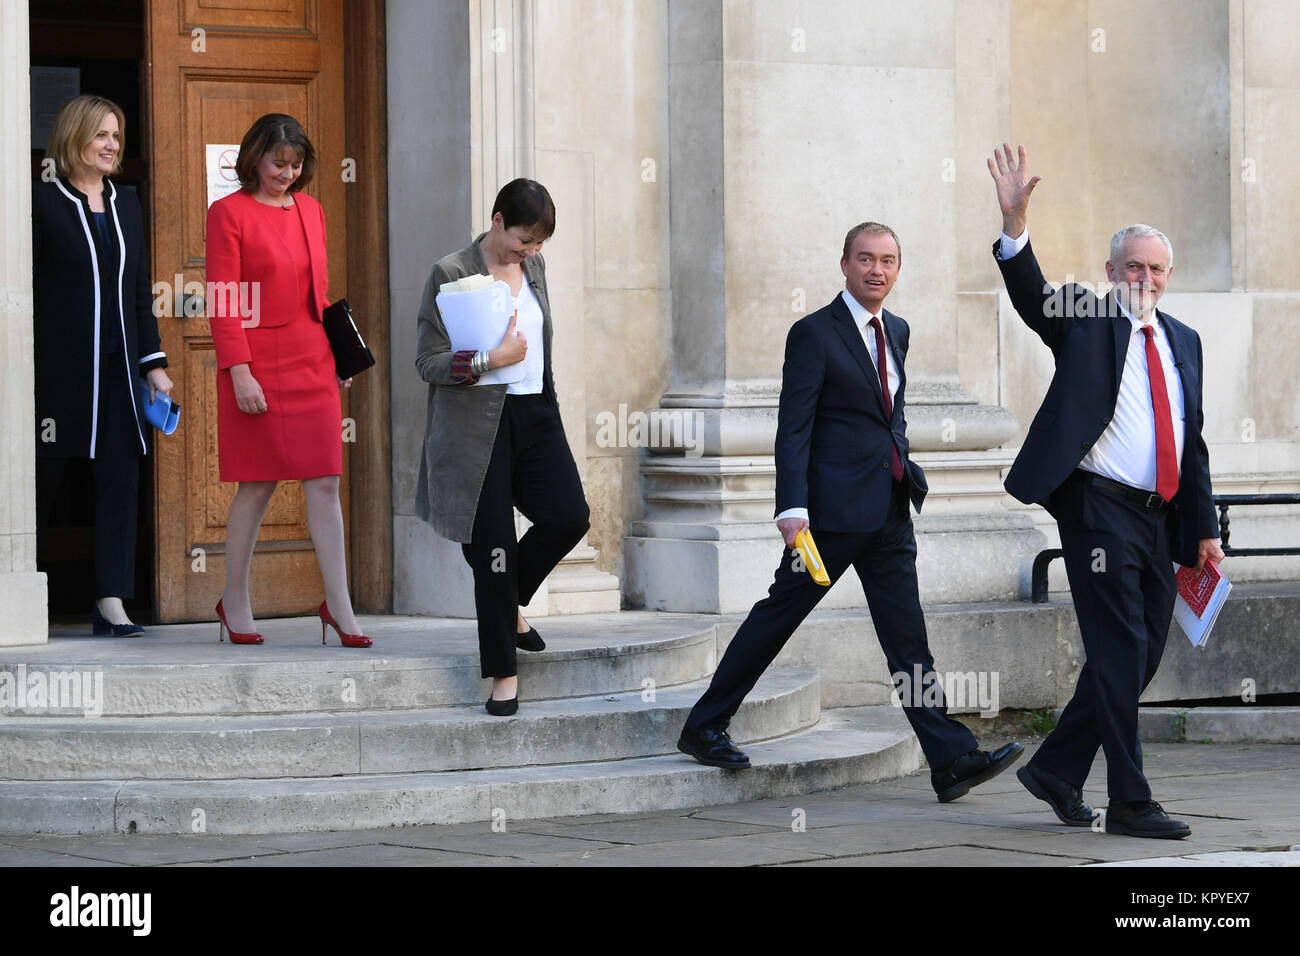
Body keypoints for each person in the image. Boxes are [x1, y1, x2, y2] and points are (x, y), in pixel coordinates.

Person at [677, 221, 1024, 802]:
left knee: (908, 640)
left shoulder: (899, 331)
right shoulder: (814, 334)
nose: (877, 270)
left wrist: (903, 465)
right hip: (828, 521)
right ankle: (704, 725)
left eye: (888, 260)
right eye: (865, 259)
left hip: (889, 512)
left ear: (897, 268)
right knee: (776, 618)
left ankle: (950, 759)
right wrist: (791, 507)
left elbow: (892, 416)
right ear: (844, 265)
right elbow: (795, 426)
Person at [987, 143, 1222, 839]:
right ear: (1111, 272)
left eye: (1155, 268)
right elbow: (1031, 297)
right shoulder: (1085, 318)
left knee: (1143, 652)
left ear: (1168, 275)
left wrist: (1204, 529)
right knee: (1122, 647)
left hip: (1159, 518)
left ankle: (1056, 769)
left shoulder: (1185, 340)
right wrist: (1014, 223)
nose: (1144, 277)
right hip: (1097, 509)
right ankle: (1130, 802)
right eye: (1132, 267)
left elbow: (1193, 439)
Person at [414, 179, 590, 716]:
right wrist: (491, 358)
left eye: (537, 244)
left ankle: (512, 602)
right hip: (477, 426)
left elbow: (542, 347)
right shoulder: (450, 272)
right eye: (522, 241)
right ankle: (503, 678)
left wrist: (550, 403)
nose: (530, 252)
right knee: (493, 552)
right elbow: (428, 362)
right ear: (496, 220)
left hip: (536, 414)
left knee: (569, 517)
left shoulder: (534, 268)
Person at [205, 113, 369, 648]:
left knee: (325, 482)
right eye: (279, 163)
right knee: (257, 484)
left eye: (297, 165)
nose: (288, 174)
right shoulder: (227, 213)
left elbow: (320, 296)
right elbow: (224, 299)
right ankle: (234, 601)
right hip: (256, 362)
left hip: (311, 357)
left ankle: (339, 606)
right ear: (254, 159)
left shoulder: (312, 209)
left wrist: (341, 359)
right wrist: (240, 371)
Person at [33, 94, 174, 637]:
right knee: (43, 480)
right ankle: (22, 593)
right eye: (102, 135)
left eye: (117, 135)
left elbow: (139, 289)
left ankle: (111, 601)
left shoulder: (127, 203)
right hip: (57, 372)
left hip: (119, 371)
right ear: (75, 139)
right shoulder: (41, 202)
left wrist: (154, 365)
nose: (113, 145)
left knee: (120, 480)